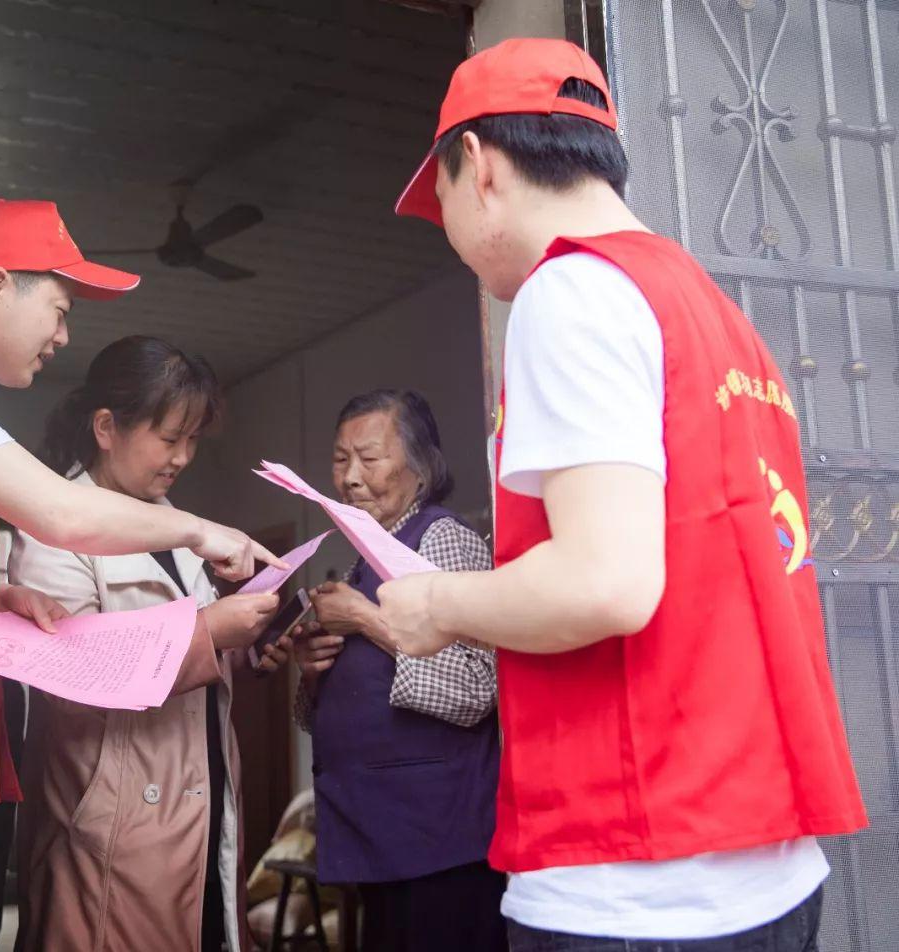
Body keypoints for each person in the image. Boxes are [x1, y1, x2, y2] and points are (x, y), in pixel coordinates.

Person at [377, 38, 868, 951]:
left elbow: (606, 582)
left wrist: (436, 604)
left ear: (478, 167)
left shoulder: (570, 293)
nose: (442, 229)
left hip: (637, 872)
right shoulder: (707, 309)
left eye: (436, 198)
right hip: (763, 861)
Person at [0, 200, 284, 950]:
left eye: (190, 442)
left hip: (192, 818)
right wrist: (209, 624)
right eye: (61, 309)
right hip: (110, 831)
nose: (65, 334)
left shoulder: (163, 526)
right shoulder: (54, 507)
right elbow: (77, 662)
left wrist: (244, 643)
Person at [291, 389, 506, 952]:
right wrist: (315, 675)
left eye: (370, 457)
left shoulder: (443, 538)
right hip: (381, 836)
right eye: (341, 460)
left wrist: (364, 619)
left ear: (420, 465)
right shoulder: (368, 552)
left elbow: (478, 686)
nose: (351, 478)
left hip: (440, 839)